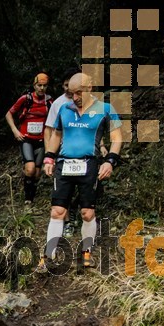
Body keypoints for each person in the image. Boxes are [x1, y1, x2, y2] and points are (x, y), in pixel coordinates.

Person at [40, 72, 122, 271]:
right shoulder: (64, 109)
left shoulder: (105, 109)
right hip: (65, 164)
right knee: (58, 211)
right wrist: (49, 157)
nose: (75, 97)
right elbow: (56, 135)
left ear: (90, 88)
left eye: (79, 93)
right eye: (71, 93)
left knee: (87, 213)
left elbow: (117, 138)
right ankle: (48, 255)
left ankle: (86, 253)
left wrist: (110, 161)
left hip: (89, 165)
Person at [5, 73, 53, 206]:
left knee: (37, 173)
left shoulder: (49, 101)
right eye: (39, 85)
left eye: (44, 86)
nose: (42, 88)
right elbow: (9, 114)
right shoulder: (26, 99)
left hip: (42, 140)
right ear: (34, 85)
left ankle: (32, 195)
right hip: (26, 139)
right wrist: (15, 131)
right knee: (30, 168)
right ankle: (28, 200)